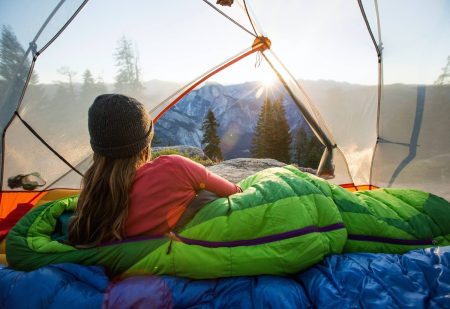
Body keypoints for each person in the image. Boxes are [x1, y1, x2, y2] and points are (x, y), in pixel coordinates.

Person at [68, 94, 241, 246]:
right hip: (181, 256)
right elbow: (235, 192)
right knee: (206, 196)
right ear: (145, 144)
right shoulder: (175, 167)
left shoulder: (91, 203)